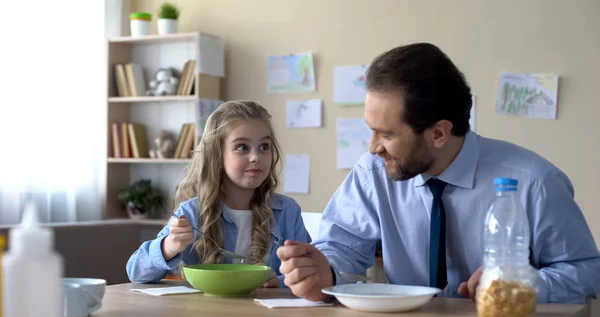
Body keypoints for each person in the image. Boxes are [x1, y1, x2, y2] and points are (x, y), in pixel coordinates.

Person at [277, 43, 600, 303]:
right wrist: (325, 271)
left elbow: (586, 270)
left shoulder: (536, 183)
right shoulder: (372, 173)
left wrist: (526, 284)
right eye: (371, 131)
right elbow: (342, 246)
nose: (373, 147)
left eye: (387, 134)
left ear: (438, 134)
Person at [127, 100, 311, 287]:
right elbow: (136, 272)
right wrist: (169, 246)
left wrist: (279, 282)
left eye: (264, 147)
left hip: (268, 315)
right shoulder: (192, 212)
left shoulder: (288, 211)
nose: (256, 157)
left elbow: (309, 272)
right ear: (217, 154)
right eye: (242, 147)